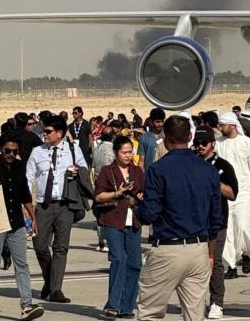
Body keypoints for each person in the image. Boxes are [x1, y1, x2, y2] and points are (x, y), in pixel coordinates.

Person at [137, 115, 222, 321]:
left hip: (168, 247)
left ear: (165, 138)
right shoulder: (208, 170)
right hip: (198, 248)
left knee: (150, 313)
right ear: (190, 136)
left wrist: (137, 206)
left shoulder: (158, 169)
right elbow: (216, 218)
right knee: (195, 314)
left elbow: (149, 214)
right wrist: (210, 253)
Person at [25, 114, 87, 303]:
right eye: (44, 130)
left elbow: (85, 169)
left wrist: (77, 171)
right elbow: (28, 179)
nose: (44, 134)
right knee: (40, 245)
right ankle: (49, 280)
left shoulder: (73, 149)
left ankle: (56, 289)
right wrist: (26, 206)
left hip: (65, 205)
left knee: (60, 248)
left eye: (48, 131)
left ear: (59, 133)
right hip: (43, 206)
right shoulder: (37, 152)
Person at [0, 134, 44, 321]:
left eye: (15, 151)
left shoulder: (21, 166)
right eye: (7, 151)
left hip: (17, 223)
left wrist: (32, 216)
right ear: (1, 149)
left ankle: (26, 305)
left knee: (22, 265)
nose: (11, 154)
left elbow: (25, 194)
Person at [95, 135, 145, 319]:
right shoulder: (107, 171)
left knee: (134, 263)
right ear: (116, 152)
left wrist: (139, 197)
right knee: (119, 258)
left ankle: (126, 307)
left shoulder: (138, 171)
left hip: (133, 221)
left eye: (130, 152)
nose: (128, 155)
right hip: (113, 220)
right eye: (124, 152)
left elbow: (144, 193)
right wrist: (117, 193)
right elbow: (98, 196)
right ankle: (112, 305)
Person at [193, 128, 238, 320]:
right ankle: (195, 301)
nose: (200, 147)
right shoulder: (192, 163)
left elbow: (233, 193)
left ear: (213, 143)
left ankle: (217, 302)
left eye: (204, 143)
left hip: (216, 221)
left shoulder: (223, 166)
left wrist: (215, 182)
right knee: (195, 263)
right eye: (197, 143)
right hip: (194, 220)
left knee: (215, 261)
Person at [216, 112, 250, 278]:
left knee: (243, 227)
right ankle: (230, 265)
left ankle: (246, 254)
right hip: (226, 192)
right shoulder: (218, 143)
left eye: (222, 125)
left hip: (244, 192)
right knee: (228, 229)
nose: (220, 128)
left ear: (232, 125)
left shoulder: (247, 142)